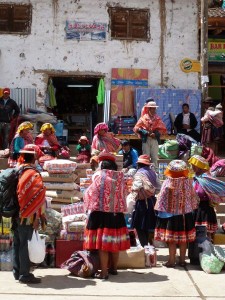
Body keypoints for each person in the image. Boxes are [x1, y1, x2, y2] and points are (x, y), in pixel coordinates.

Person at [83, 152, 130, 280]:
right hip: (116, 214)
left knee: (102, 244)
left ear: (101, 164)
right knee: (113, 242)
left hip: (100, 213)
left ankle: (104, 272)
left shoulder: (99, 175)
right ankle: (113, 268)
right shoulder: (121, 177)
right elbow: (125, 192)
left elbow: (92, 191)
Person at [154, 160, 199, 268]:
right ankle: (182, 260)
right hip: (185, 214)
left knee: (172, 240)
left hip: (171, 215)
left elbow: (162, 197)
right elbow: (193, 197)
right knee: (183, 240)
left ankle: (171, 260)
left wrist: (158, 208)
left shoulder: (168, 182)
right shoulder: (188, 182)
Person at [12, 144, 46, 284]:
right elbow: (38, 196)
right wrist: (38, 216)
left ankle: (17, 271)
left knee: (17, 242)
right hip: (27, 214)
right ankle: (25, 275)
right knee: (25, 244)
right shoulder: (33, 174)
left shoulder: (17, 170)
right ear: (34, 157)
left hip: (15, 212)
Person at [188, 155, 225, 241]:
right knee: (195, 231)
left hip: (205, 209)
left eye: (194, 166)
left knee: (207, 232)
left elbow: (219, 188)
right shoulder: (193, 178)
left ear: (200, 167)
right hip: (195, 208)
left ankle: (207, 248)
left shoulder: (207, 179)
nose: (192, 167)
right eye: (192, 165)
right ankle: (196, 249)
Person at [129, 154, 161, 247]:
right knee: (146, 226)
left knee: (140, 226)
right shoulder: (153, 173)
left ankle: (144, 247)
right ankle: (147, 245)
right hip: (151, 201)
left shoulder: (139, 173)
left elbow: (137, 186)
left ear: (139, 164)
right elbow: (159, 186)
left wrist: (132, 191)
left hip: (142, 203)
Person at [133, 100, 167, 167]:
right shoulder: (143, 118)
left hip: (154, 139)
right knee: (146, 156)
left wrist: (156, 134)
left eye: (154, 108)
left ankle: (155, 172)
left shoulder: (157, 118)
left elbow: (163, 129)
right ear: (149, 109)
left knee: (154, 156)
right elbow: (136, 128)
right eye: (152, 108)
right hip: (146, 139)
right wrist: (146, 132)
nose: (154, 110)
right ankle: (146, 170)